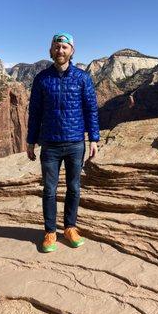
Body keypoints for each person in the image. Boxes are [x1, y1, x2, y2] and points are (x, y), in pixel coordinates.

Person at [26, 32, 100, 252]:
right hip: (49, 144)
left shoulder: (82, 78)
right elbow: (35, 113)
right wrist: (30, 141)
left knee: (74, 188)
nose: (60, 51)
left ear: (72, 51)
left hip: (76, 142)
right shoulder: (41, 79)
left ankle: (70, 228)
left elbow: (91, 110)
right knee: (49, 190)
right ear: (51, 50)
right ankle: (50, 232)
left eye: (64, 47)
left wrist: (94, 138)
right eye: (57, 47)